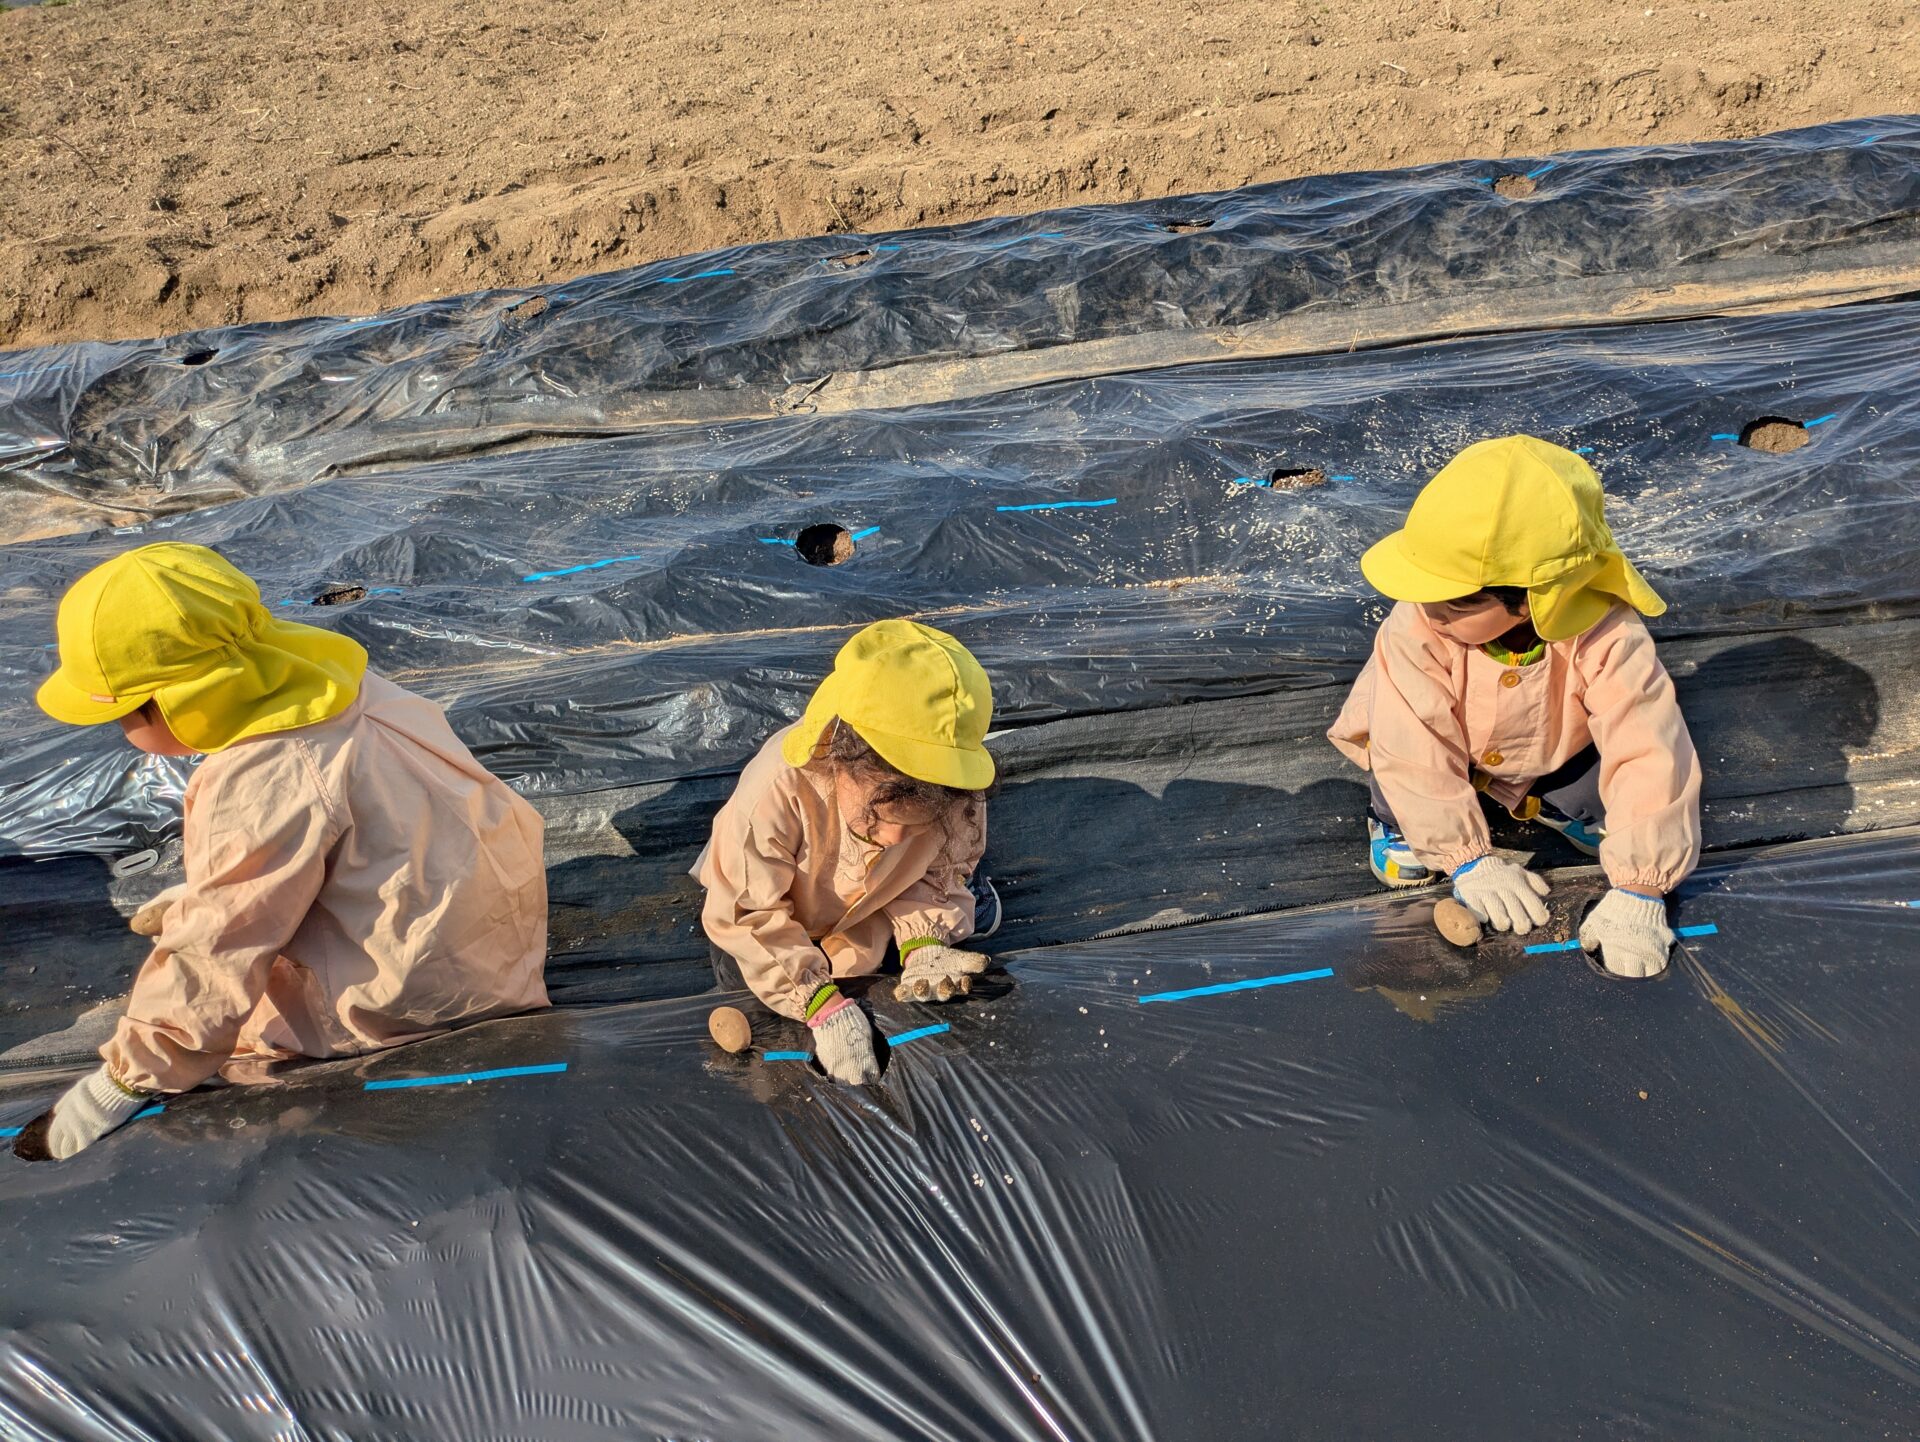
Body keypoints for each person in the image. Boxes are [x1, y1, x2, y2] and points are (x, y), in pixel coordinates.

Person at [28, 543, 549, 1159]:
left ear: (182, 699)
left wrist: (124, 1081)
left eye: (123, 714)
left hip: (405, 1010)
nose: (121, 731)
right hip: (491, 953)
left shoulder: (264, 772)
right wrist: (229, 880)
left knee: (244, 1016)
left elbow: (217, 949)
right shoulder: (343, 688)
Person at [1328, 435, 1702, 978]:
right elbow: (1413, 744)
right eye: (1425, 588)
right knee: (1395, 765)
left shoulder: (1607, 635)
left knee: (1600, 789)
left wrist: (1641, 885)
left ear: (1534, 598)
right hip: (1434, 746)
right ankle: (1402, 825)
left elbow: (1647, 743)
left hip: (1552, 745)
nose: (1430, 608)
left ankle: (1547, 801)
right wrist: (1466, 859)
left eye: (1457, 600)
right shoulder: (1417, 626)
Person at [697, 619, 999, 1084]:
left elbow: (936, 867)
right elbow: (749, 912)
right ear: (840, 757)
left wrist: (925, 939)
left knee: (915, 978)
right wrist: (818, 1003)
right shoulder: (777, 790)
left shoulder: (952, 793)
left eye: (913, 827)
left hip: (867, 911)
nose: (894, 839)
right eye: (878, 819)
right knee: (763, 1008)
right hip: (775, 913)